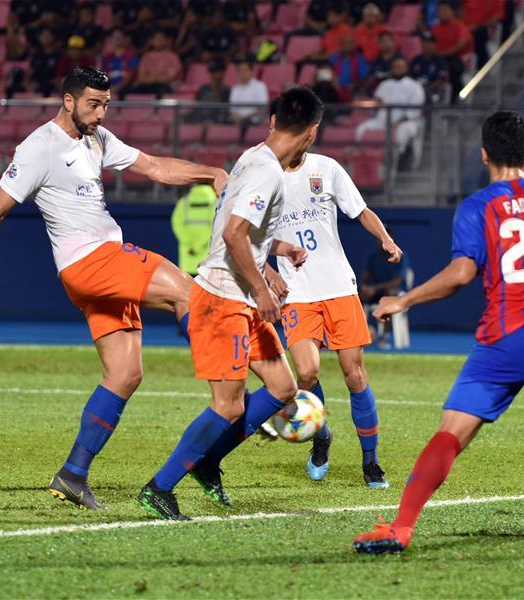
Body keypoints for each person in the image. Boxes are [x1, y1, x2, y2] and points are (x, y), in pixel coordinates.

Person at [353, 111, 524, 560]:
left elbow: (462, 274)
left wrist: (405, 300)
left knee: (450, 435)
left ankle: (400, 528)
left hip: (501, 340)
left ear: (484, 155)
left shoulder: (478, 206)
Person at [0, 66, 228, 510]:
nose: (100, 113)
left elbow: (154, 167)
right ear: (68, 100)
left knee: (125, 374)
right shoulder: (39, 146)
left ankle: (73, 473)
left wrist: (210, 172)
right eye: (93, 104)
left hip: (97, 271)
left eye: (105, 105)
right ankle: (231, 395)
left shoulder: (97, 138)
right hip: (93, 262)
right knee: (189, 294)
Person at [137, 88, 323, 520]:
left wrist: (272, 260)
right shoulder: (268, 173)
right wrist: (261, 288)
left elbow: (237, 228)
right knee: (228, 406)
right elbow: (234, 233)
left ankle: (207, 460)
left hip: (240, 293)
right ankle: (159, 486)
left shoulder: (253, 157)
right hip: (223, 298)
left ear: (273, 120)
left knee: (281, 389)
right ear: (312, 132)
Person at [268, 148, 402, 486]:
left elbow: (361, 210)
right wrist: (270, 275)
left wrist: (385, 238)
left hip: (339, 287)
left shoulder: (326, 168)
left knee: (354, 376)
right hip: (297, 292)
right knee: (306, 373)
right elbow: (250, 237)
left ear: (310, 131)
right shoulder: (264, 175)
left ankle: (371, 462)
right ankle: (321, 435)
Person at [355, 57, 425, 169]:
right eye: (395, 67)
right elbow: (376, 104)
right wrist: (377, 103)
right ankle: (363, 158)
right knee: (362, 128)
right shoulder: (384, 84)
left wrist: (397, 123)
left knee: (403, 131)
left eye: (400, 67)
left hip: (405, 122)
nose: (397, 69)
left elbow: (414, 110)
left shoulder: (415, 86)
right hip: (382, 119)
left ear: (406, 68)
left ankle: (397, 164)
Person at [359, 229, 411, 348]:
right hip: (376, 292)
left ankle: (384, 336)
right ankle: (362, 330)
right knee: (358, 293)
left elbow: (396, 282)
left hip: (395, 293)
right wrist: (365, 286)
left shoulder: (400, 256)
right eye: (379, 238)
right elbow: (366, 276)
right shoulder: (373, 257)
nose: (381, 242)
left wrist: (375, 288)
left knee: (389, 295)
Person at [171, 184, 217, 277]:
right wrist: (198, 245)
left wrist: (191, 244)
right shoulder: (216, 203)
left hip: (188, 257)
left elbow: (177, 224)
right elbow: (215, 227)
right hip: (209, 260)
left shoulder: (183, 203)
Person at [431, 1, 472, 99]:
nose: (442, 13)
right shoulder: (435, 28)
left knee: (453, 67)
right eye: (440, 11)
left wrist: (444, 54)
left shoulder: (459, 26)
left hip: (456, 58)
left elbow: (461, 44)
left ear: (452, 11)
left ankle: (455, 97)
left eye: (445, 10)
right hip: (437, 58)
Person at [132, 30, 181, 97]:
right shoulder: (146, 57)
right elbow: (141, 77)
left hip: (164, 86)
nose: (158, 41)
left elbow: (169, 77)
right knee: (132, 90)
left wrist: (152, 79)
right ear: (151, 41)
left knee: (162, 90)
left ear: (165, 40)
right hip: (147, 85)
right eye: (155, 38)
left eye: (161, 38)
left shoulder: (172, 57)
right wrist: (154, 79)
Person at [410, 31, 450, 104]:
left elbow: (443, 78)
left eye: (428, 43)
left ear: (434, 44)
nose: (425, 45)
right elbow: (410, 77)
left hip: (432, 91)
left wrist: (428, 88)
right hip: (415, 90)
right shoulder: (416, 60)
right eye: (424, 43)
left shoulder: (440, 60)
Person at [229, 57, 269, 125]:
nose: (242, 73)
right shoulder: (235, 89)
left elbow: (263, 108)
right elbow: (232, 110)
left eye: (245, 70)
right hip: (237, 123)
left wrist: (245, 117)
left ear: (251, 71)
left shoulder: (260, 86)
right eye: (240, 70)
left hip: (255, 122)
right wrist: (236, 117)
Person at [330, 34, 370, 102]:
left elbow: (364, 77)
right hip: (335, 89)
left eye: (349, 43)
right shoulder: (334, 57)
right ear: (340, 45)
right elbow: (328, 72)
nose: (347, 45)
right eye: (344, 43)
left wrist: (354, 85)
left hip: (353, 89)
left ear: (354, 45)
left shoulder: (360, 58)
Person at [101, 30, 138, 101]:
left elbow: (130, 76)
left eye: (119, 37)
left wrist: (116, 88)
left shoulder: (130, 56)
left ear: (124, 39)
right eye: (115, 37)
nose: (117, 39)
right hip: (109, 87)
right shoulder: (107, 57)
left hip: (125, 87)